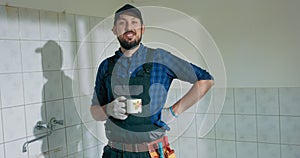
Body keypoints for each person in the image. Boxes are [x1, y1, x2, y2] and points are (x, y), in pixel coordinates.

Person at [90, 4, 214, 158]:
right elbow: (95, 112)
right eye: (122, 23)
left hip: (153, 153)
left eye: (134, 22)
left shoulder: (160, 59)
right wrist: (108, 110)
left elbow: (205, 80)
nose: (129, 27)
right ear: (114, 29)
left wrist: (173, 112)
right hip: (114, 153)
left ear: (142, 28)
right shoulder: (106, 66)